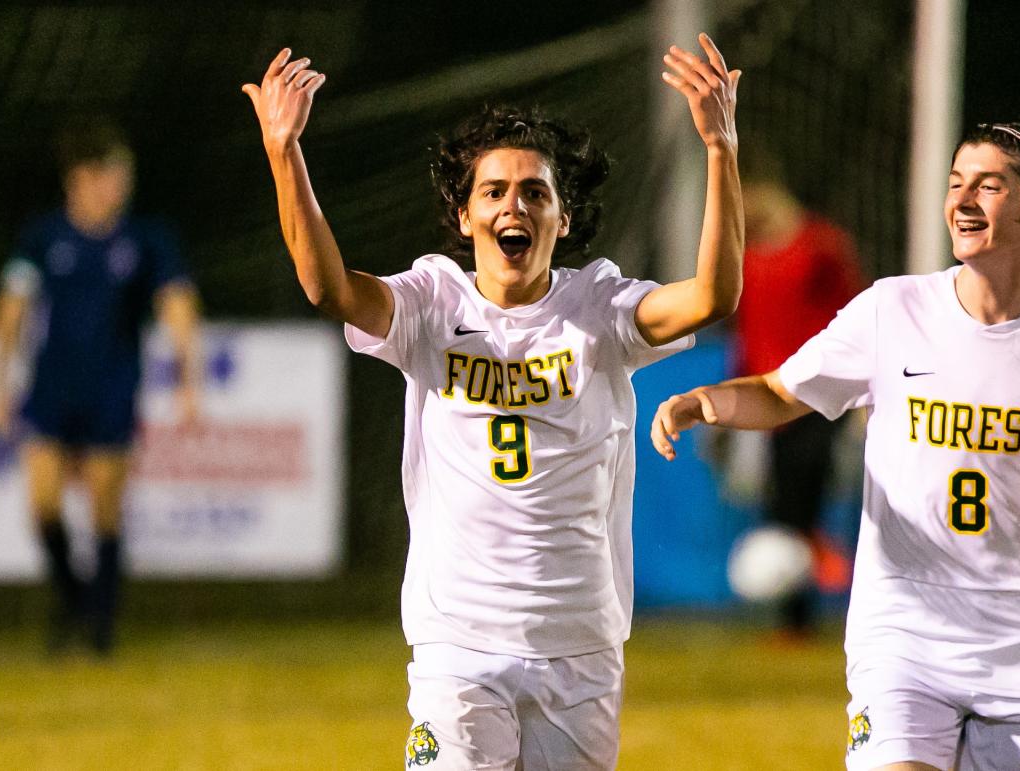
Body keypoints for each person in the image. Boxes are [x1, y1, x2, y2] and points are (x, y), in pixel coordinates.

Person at [242, 35, 742, 769]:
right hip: (458, 645)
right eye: (495, 191)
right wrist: (285, 151)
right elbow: (328, 286)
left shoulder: (598, 306)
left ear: (561, 220)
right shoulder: (429, 302)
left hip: (578, 641)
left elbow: (712, 297)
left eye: (535, 192)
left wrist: (721, 150)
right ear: (465, 217)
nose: (516, 205)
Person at [652, 121, 1020, 770]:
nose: (962, 199)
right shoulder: (892, 309)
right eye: (955, 183)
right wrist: (705, 400)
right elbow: (783, 392)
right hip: (903, 628)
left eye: (989, 185)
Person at [0, 116, 202, 655]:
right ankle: (75, 601)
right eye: (111, 176)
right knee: (43, 507)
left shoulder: (146, 240)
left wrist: (187, 378)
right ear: (81, 178)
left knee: (106, 507)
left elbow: (177, 304)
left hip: (112, 388)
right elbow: (11, 310)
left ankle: (99, 627)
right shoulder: (43, 237)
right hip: (52, 387)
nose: (120, 188)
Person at [733, 170, 863, 636]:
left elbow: (854, 316)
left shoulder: (820, 245)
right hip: (766, 401)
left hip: (818, 398)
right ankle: (796, 616)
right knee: (781, 509)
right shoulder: (745, 259)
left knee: (802, 505)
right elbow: (747, 335)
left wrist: (861, 394)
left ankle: (810, 606)